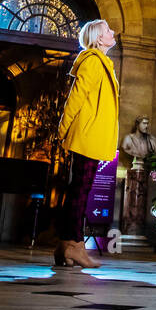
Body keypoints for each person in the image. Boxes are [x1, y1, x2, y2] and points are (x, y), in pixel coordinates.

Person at [54, 19, 119, 268]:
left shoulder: (101, 62)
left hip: (90, 135)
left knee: (78, 190)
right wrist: (63, 128)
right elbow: (76, 97)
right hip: (86, 136)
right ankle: (75, 246)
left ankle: (66, 247)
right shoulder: (93, 60)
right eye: (107, 31)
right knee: (80, 191)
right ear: (98, 38)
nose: (112, 32)